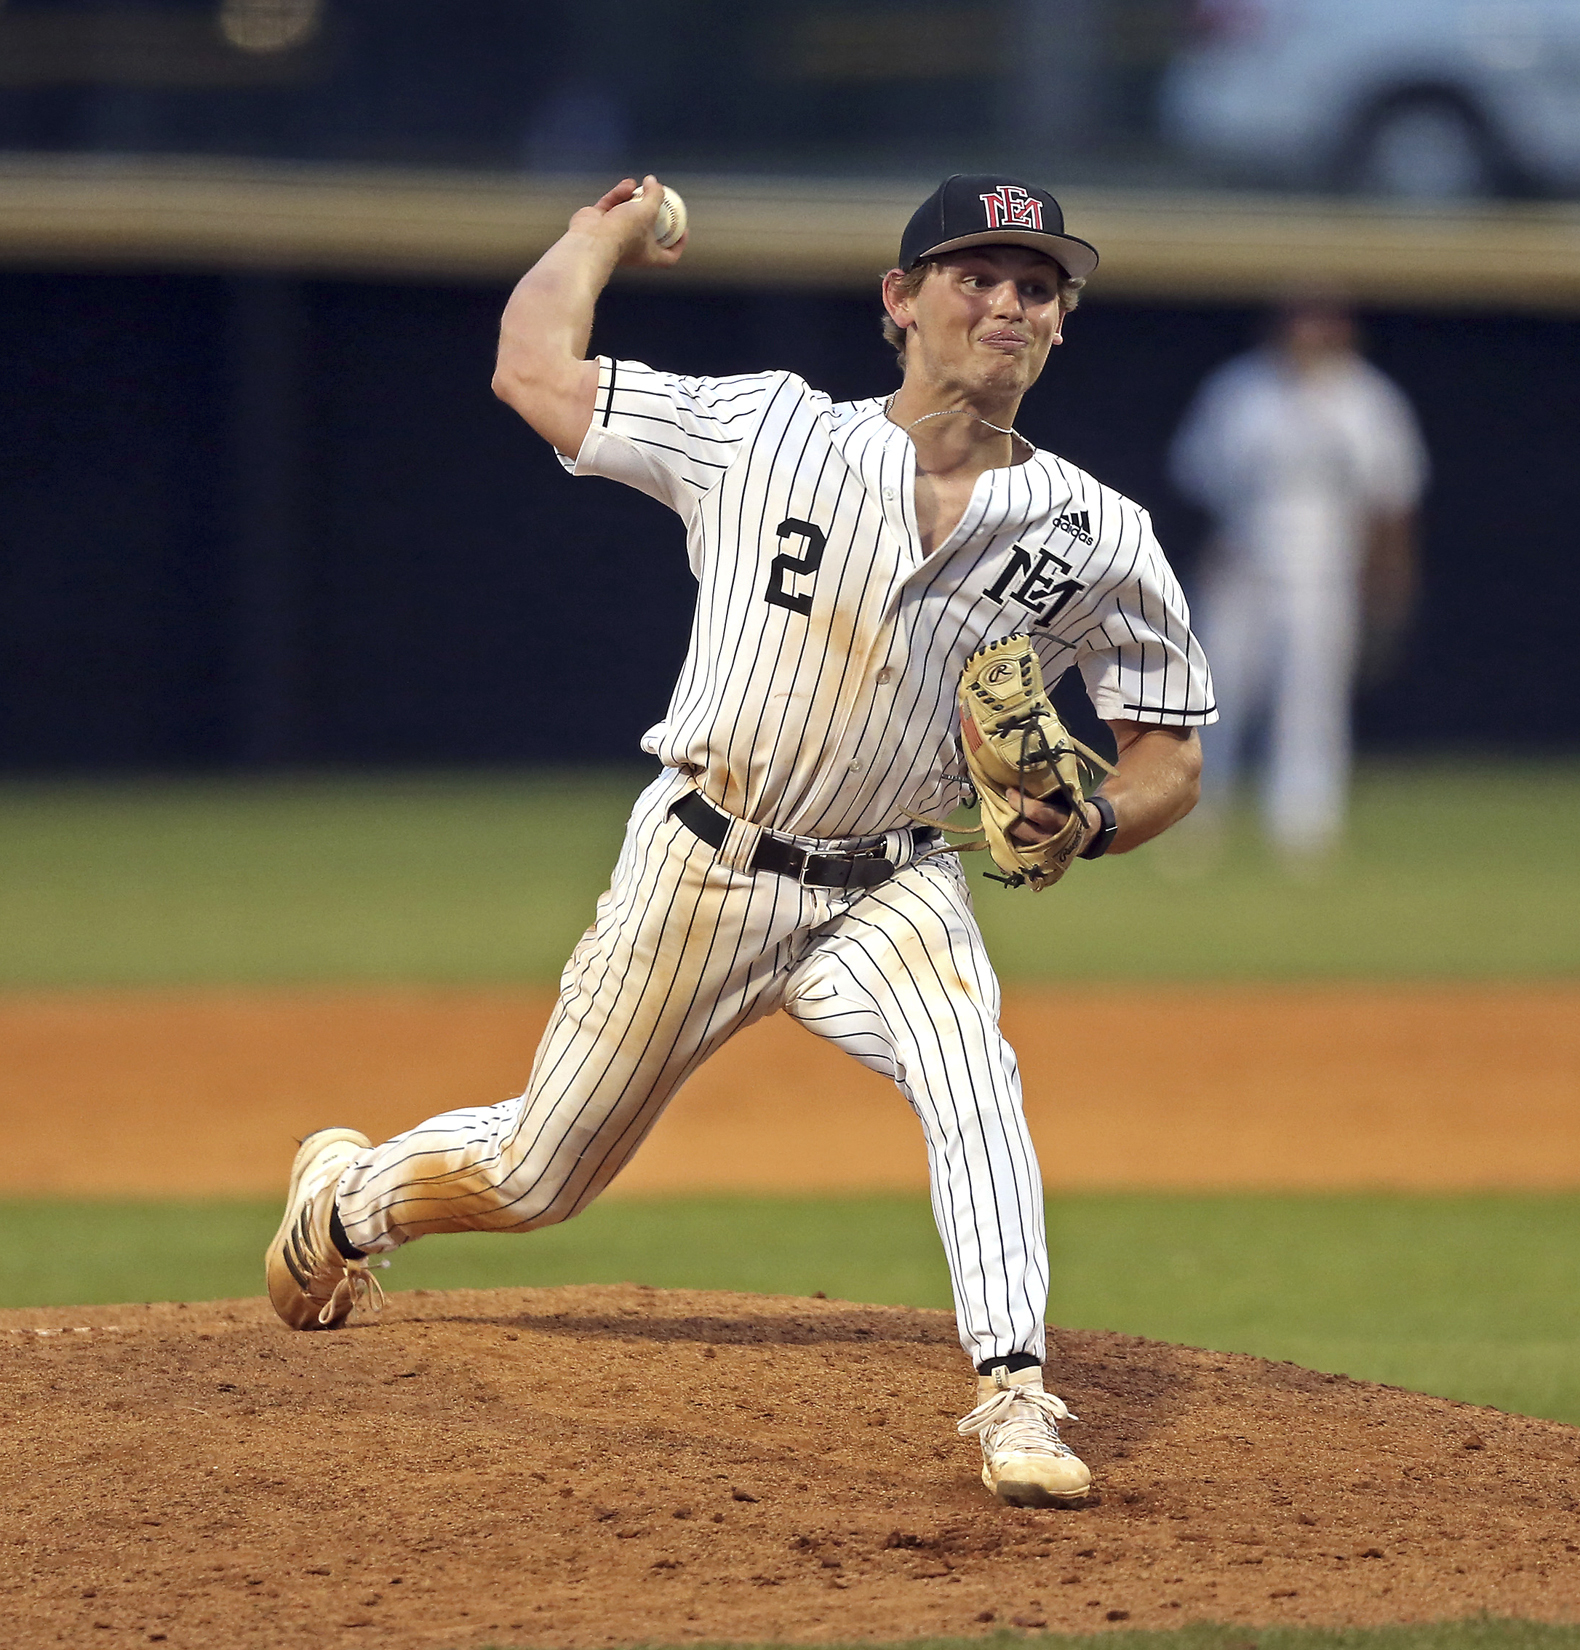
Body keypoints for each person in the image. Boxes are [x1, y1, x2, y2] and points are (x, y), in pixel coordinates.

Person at [266, 172, 1214, 1508]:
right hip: (706, 864)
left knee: (972, 1074)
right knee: (541, 1172)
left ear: (1062, 325)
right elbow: (532, 371)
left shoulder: (1100, 535)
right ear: (900, 300)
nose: (1007, 301)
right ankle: (353, 1203)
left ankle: (1013, 1395)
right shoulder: (762, 429)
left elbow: (1168, 745)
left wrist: (1104, 816)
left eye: (1039, 285)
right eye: (975, 274)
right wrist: (604, 231)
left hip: (896, 879)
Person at [1168, 296, 1428, 860]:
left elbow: (1392, 499)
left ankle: (1303, 828)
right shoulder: (1241, 390)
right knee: (1214, 695)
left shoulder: (1367, 399)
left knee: (1311, 700)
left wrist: (1388, 582)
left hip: (1326, 571)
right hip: (1244, 562)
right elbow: (1198, 478)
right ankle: (1195, 815)